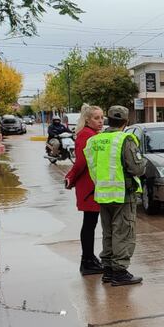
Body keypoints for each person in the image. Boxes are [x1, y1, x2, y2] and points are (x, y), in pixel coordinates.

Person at [84, 106, 146, 286]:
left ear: (108, 120)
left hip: (103, 194)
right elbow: (136, 168)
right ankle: (120, 272)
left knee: (108, 233)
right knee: (124, 233)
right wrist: (143, 163)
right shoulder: (125, 139)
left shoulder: (96, 140)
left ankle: (109, 270)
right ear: (126, 123)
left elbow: (92, 166)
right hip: (122, 194)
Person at [65, 105, 105, 276]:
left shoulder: (93, 134)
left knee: (91, 223)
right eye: (96, 118)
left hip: (92, 185)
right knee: (89, 224)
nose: (101, 121)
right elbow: (81, 162)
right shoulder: (86, 136)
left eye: (102, 117)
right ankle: (87, 261)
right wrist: (70, 178)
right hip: (88, 186)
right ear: (87, 119)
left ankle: (89, 258)